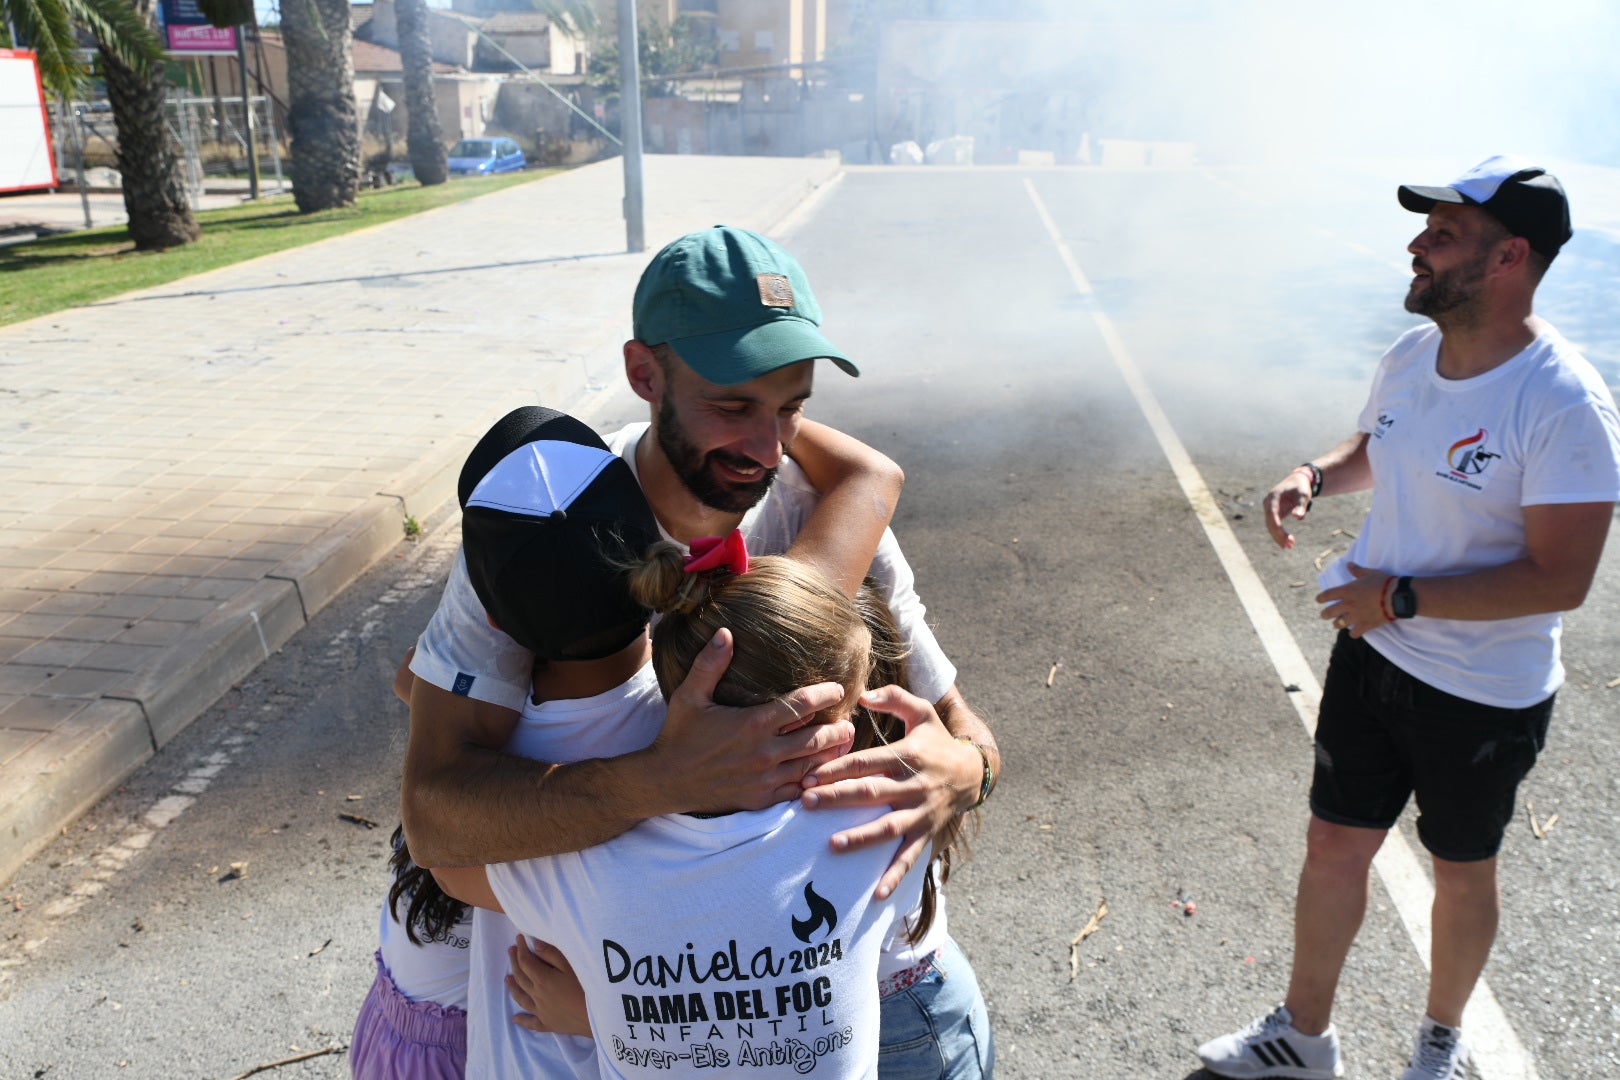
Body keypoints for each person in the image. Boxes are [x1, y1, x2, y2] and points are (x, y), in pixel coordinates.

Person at [400, 227, 998, 1076]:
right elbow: (434, 815)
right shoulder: (554, 527)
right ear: (644, 375)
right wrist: (662, 780)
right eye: (733, 406)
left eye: (792, 406)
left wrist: (967, 776)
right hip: (657, 1025)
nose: (769, 448)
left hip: (898, 1013)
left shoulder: (819, 507)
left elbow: (967, 733)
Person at [1198, 156, 1620, 1080]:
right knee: (1332, 842)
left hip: (1481, 690)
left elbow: (1562, 578)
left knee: (1461, 867)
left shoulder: (1565, 404)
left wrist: (1397, 595)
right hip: (1375, 653)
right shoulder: (1409, 358)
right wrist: (1314, 474)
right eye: (1424, 230)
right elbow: (1377, 446)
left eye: (1443, 234)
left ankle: (1440, 1040)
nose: (1417, 245)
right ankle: (1302, 1038)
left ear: (1510, 257)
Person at [437, 530, 966, 1080]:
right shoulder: (878, 832)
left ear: (678, 705)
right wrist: (967, 767)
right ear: (831, 732)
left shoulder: (582, 862)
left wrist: (606, 1014)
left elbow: (446, 858)